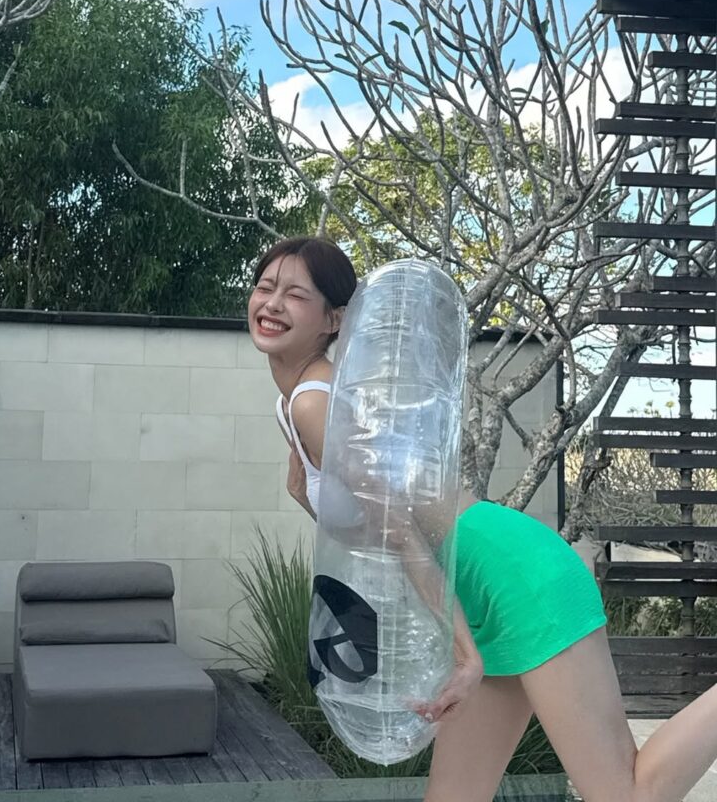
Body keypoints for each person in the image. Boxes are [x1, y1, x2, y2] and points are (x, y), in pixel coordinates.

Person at [249, 235, 717, 802]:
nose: (272, 303)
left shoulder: (313, 403)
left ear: (334, 318)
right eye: (265, 287)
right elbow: (360, 522)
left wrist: (463, 654)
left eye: (295, 294)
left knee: (626, 795)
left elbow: (398, 531)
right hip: (477, 589)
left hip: (512, 574)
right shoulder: (304, 399)